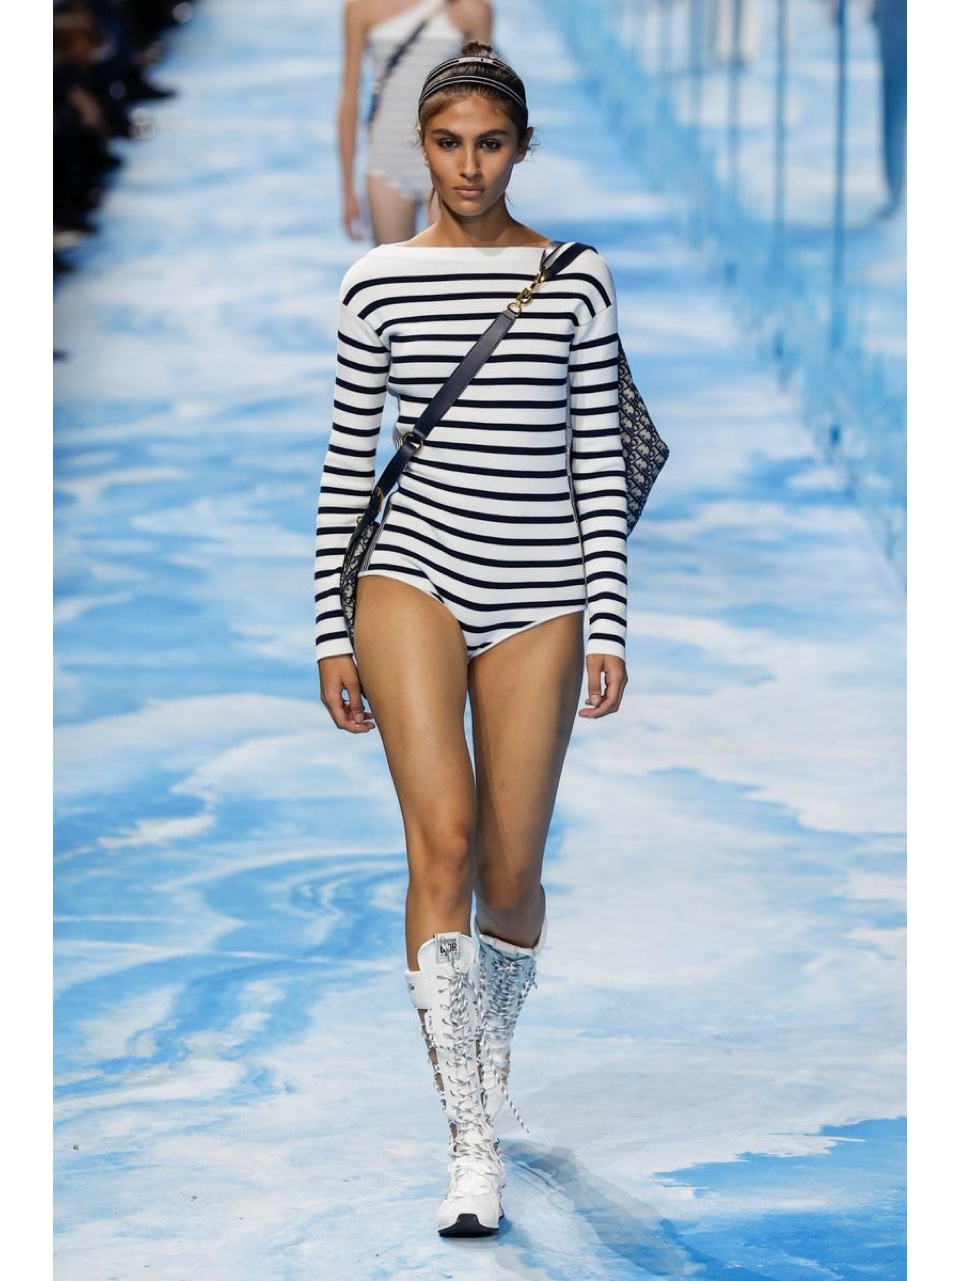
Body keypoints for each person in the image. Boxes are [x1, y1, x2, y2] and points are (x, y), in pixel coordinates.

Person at [314, 42, 629, 1237]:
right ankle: (470, 1139)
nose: (468, 166)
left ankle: (485, 1072)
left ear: (522, 148)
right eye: (448, 143)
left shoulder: (575, 279)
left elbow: (598, 459)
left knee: (511, 876)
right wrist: (329, 627)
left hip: (543, 588)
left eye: (491, 143)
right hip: (412, 574)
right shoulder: (375, 283)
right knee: (439, 842)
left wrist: (609, 615)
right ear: (422, 147)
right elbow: (348, 465)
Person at [337, 0, 493, 244]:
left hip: (449, 161)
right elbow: (350, 99)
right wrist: (347, 189)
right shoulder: (361, 8)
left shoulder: (471, 9)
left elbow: (483, 101)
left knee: (448, 266)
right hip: (387, 159)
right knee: (391, 268)